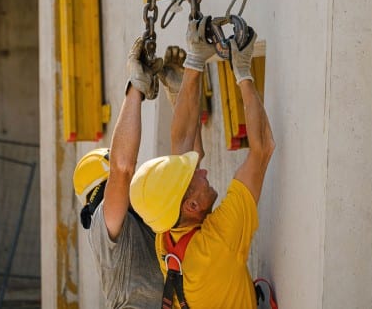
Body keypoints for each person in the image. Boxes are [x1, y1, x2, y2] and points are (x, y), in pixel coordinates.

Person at [129, 17, 276, 308]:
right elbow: (262, 148)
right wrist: (243, 72)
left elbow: (183, 142)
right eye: (195, 177)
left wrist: (195, 62)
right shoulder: (216, 243)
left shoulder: (167, 232)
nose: (204, 170)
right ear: (192, 206)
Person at [73, 38, 190, 308]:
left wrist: (180, 96)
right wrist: (135, 88)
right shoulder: (107, 225)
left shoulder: (146, 219)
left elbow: (187, 169)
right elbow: (122, 169)